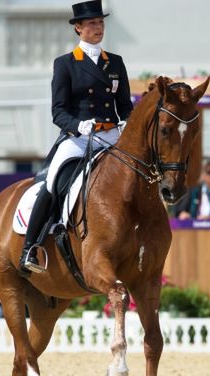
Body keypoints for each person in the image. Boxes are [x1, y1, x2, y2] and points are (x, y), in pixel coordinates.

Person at [19, 0, 133, 274]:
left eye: (101, 22)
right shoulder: (66, 64)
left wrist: (129, 121)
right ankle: (31, 248)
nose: (98, 27)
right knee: (52, 180)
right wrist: (78, 126)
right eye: (92, 23)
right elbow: (58, 111)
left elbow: (125, 105)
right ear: (78, 29)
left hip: (111, 137)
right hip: (79, 137)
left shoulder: (114, 62)